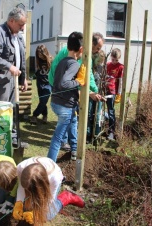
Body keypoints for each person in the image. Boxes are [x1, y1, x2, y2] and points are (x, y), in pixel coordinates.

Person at [48, 32, 105, 150]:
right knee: (66, 115)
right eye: (98, 48)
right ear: (91, 44)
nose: (98, 51)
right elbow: (76, 78)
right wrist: (87, 91)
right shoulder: (75, 56)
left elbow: (87, 75)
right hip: (58, 84)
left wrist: (94, 90)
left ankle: (73, 147)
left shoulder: (85, 55)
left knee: (72, 117)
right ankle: (64, 142)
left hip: (63, 85)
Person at [0, 7, 28, 147]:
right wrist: (9, 66)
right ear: (11, 21)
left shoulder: (18, 36)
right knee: (2, 112)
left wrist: (23, 78)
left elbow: (21, 59)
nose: (22, 28)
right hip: (2, 81)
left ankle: (13, 138)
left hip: (14, 80)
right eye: (20, 25)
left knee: (13, 110)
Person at [47, 31, 86, 162]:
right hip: (65, 107)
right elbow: (64, 83)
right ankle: (50, 164)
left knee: (73, 122)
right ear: (81, 49)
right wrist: (79, 81)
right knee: (58, 138)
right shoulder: (74, 64)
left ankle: (74, 149)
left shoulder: (62, 61)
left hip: (57, 103)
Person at [12, 157, 85, 225]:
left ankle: (66, 197)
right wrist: (19, 203)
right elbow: (21, 187)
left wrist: (36, 214)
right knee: (25, 208)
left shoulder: (54, 179)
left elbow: (49, 201)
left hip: (50, 183)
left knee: (48, 215)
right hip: (35, 183)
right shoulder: (20, 168)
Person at [30, 44, 52, 124]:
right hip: (39, 83)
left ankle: (34, 115)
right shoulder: (38, 61)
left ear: (45, 52)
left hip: (48, 84)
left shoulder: (51, 60)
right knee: (42, 101)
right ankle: (45, 115)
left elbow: (54, 72)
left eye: (41, 54)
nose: (40, 56)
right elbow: (38, 72)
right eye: (38, 54)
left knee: (43, 101)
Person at [106, 48, 124, 140]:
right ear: (110, 57)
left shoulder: (120, 67)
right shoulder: (107, 65)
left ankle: (111, 132)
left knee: (111, 111)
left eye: (116, 60)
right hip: (104, 90)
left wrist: (119, 93)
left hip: (112, 92)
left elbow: (120, 81)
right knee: (100, 111)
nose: (114, 62)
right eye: (113, 59)